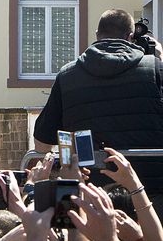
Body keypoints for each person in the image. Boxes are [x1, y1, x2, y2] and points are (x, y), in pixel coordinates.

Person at [33, 9, 163, 151]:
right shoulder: (155, 70)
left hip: (89, 172)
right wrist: (160, 60)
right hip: (149, 172)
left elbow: (42, 143)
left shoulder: (66, 76)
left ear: (96, 35)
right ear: (130, 36)